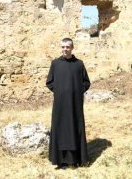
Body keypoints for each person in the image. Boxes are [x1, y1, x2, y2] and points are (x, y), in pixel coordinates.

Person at [46, 38, 91, 169]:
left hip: (75, 104)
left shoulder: (79, 64)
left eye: (67, 47)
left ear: (72, 48)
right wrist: (60, 92)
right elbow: (49, 82)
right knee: (61, 128)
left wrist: (77, 91)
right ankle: (61, 160)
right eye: (63, 47)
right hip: (60, 104)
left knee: (74, 128)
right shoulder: (55, 64)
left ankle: (75, 159)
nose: (65, 49)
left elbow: (86, 82)